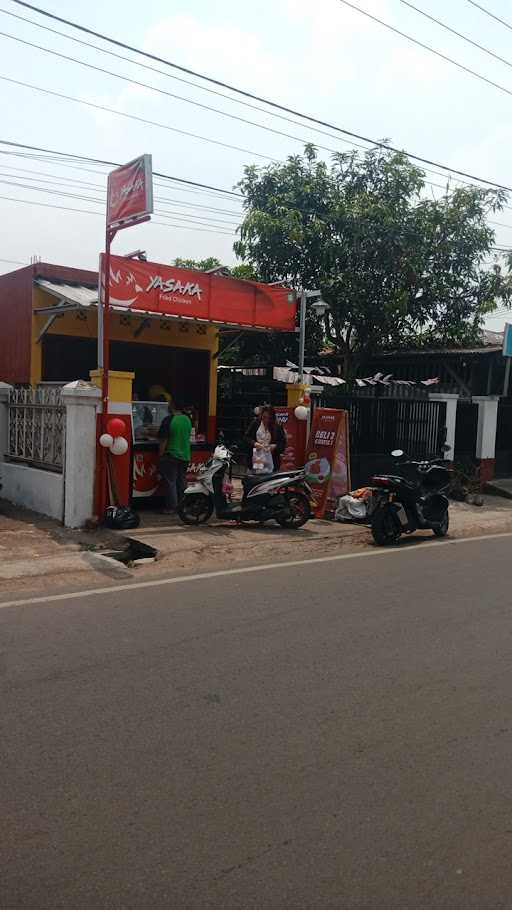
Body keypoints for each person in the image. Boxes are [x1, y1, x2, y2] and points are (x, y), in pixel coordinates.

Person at [158, 399, 192, 513]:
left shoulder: (169, 420)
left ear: (172, 406)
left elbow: (163, 440)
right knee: (182, 481)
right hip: (185, 455)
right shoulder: (187, 419)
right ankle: (184, 505)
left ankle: (172, 507)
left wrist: (161, 454)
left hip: (171, 454)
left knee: (171, 482)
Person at [245, 405, 286, 473]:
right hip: (256, 459)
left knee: (270, 482)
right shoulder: (255, 423)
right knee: (256, 480)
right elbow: (246, 438)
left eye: (269, 418)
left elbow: (283, 444)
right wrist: (255, 443)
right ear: (261, 415)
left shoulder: (277, 426)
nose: (266, 420)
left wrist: (274, 446)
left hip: (272, 460)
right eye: (264, 417)